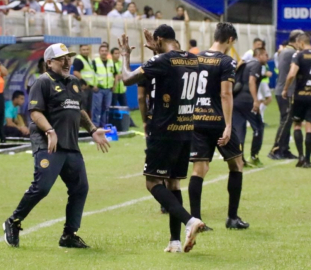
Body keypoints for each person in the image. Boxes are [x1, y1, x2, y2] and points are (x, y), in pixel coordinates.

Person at [2, 43, 110, 249]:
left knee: (80, 188)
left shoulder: (74, 82)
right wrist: (50, 131)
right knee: (42, 187)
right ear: (49, 62)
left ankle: (69, 235)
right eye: (62, 58)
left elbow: (78, 110)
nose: (67, 61)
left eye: (68, 57)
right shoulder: (42, 82)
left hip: (70, 144)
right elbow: (35, 112)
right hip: (47, 144)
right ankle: (13, 221)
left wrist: (93, 130)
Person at [119, 25, 205, 253]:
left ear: (158, 39)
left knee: (152, 183)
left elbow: (127, 78)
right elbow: (170, 70)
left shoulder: (163, 61)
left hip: (164, 132)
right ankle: (175, 241)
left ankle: (190, 221)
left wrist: (125, 56)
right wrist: (156, 53)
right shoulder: (192, 60)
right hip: (186, 130)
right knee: (173, 183)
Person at [189, 22, 249, 231]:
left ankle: (195, 220)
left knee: (199, 169)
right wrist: (229, 125)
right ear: (230, 40)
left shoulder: (195, 58)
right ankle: (232, 218)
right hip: (217, 120)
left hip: (197, 119)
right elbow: (225, 94)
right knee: (236, 164)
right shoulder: (226, 61)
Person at [282, 33, 311, 168]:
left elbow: (292, 74)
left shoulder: (299, 55)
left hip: (300, 95)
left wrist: (285, 88)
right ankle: (307, 159)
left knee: (297, 125)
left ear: (300, 43)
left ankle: (300, 156)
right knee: (310, 127)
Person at [268, 29, 304, 160]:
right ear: (298, 41)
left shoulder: (285, 51)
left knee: (287, 121)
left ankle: (284, 149)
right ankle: (275, 149)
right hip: (287, 91)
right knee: (285, 121)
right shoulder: (293, 53)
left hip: (282, 89)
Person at [233, 48, 267, 168]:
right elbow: (251, 81)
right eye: (266, 55)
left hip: (236, 101)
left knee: (239, 130)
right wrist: (255, 100)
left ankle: (239, 159)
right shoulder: (257, 64)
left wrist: (262, 77)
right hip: (247, 101)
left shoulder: (246, 64)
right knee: (258, 127)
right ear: (259, 55)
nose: (267, 58)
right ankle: (254, 156)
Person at [92, 44, 115, 127]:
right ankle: (95, 126)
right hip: (98, 89)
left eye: (105, 51)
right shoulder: (95, 62)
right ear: (99, 52)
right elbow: (92, 75)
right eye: (102, 51)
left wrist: (113, 85)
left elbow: (114, 74)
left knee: (106, 109)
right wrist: (93, 86)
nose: (104, 53)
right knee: (96, 109)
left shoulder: (111, 62)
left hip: (109, 90)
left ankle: (104, 126)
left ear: (107, 52)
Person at [73, 45, 96, 116]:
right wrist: (83, 81)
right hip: (83, 86)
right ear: (80, 51)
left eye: (87, 49)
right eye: (83, 50)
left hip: (89, 87)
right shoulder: (78, 59)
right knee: (83, 105)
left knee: (89, 105)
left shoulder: (88, 59)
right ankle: (82, 122)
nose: (86, 51)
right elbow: (76, 72)